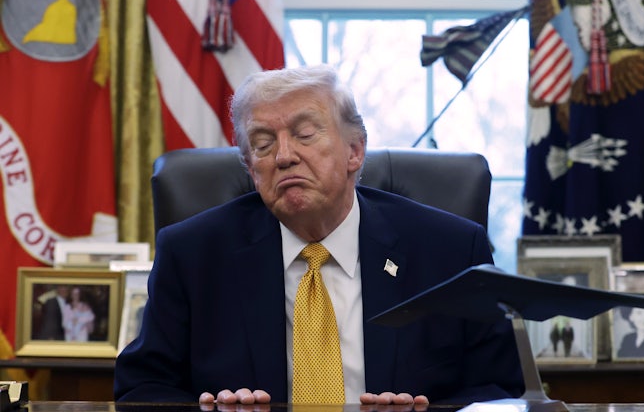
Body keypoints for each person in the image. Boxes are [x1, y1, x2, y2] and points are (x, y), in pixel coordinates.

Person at [114, 65, 524, 406]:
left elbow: (503, 392)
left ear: (354, 151)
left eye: (305, 134)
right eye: (262, 143)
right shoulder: (193, 255)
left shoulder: (449, 251)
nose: (284, 155)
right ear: (250, 169)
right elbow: (141, 390)